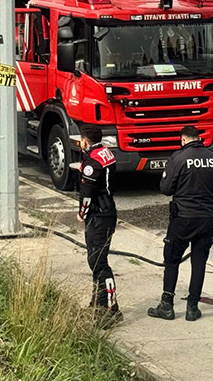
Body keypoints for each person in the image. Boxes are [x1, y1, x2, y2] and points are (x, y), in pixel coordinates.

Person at [148, 125, 213, 322]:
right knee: (199, 263)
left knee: (172, 260)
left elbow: (166, 188)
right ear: (199, 138)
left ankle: (167, 305)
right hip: (205, 219)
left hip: (182, 219)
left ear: (183, 140)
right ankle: (192, 307)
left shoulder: (178, 158)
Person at [76, 125, 122, 326]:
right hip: (108, 210)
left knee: (98, 263)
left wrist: (81, 215)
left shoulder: (91, 163)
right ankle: (98, 301)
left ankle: (111, 309)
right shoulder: (106, 153)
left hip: (98, 214)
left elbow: (87, 194)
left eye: (81, 141)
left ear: (85, 141)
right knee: (98, 260)